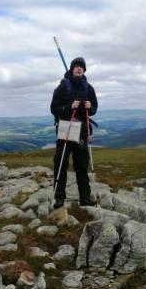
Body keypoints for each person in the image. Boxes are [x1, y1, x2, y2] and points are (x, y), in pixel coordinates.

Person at [50, 57, 98, 209]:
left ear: (84, 70)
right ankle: (59, 198)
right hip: (65, 126)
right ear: (71, 69)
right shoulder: (63, 87)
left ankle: (85, 198)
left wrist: (90, 107)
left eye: (81, 67)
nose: (78, 68)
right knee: (61, 163)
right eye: (76, 66)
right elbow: (54, 108)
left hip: (82, 129)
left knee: (81, 164)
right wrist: (69, 107)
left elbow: (94, 109)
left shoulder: (88, 88)